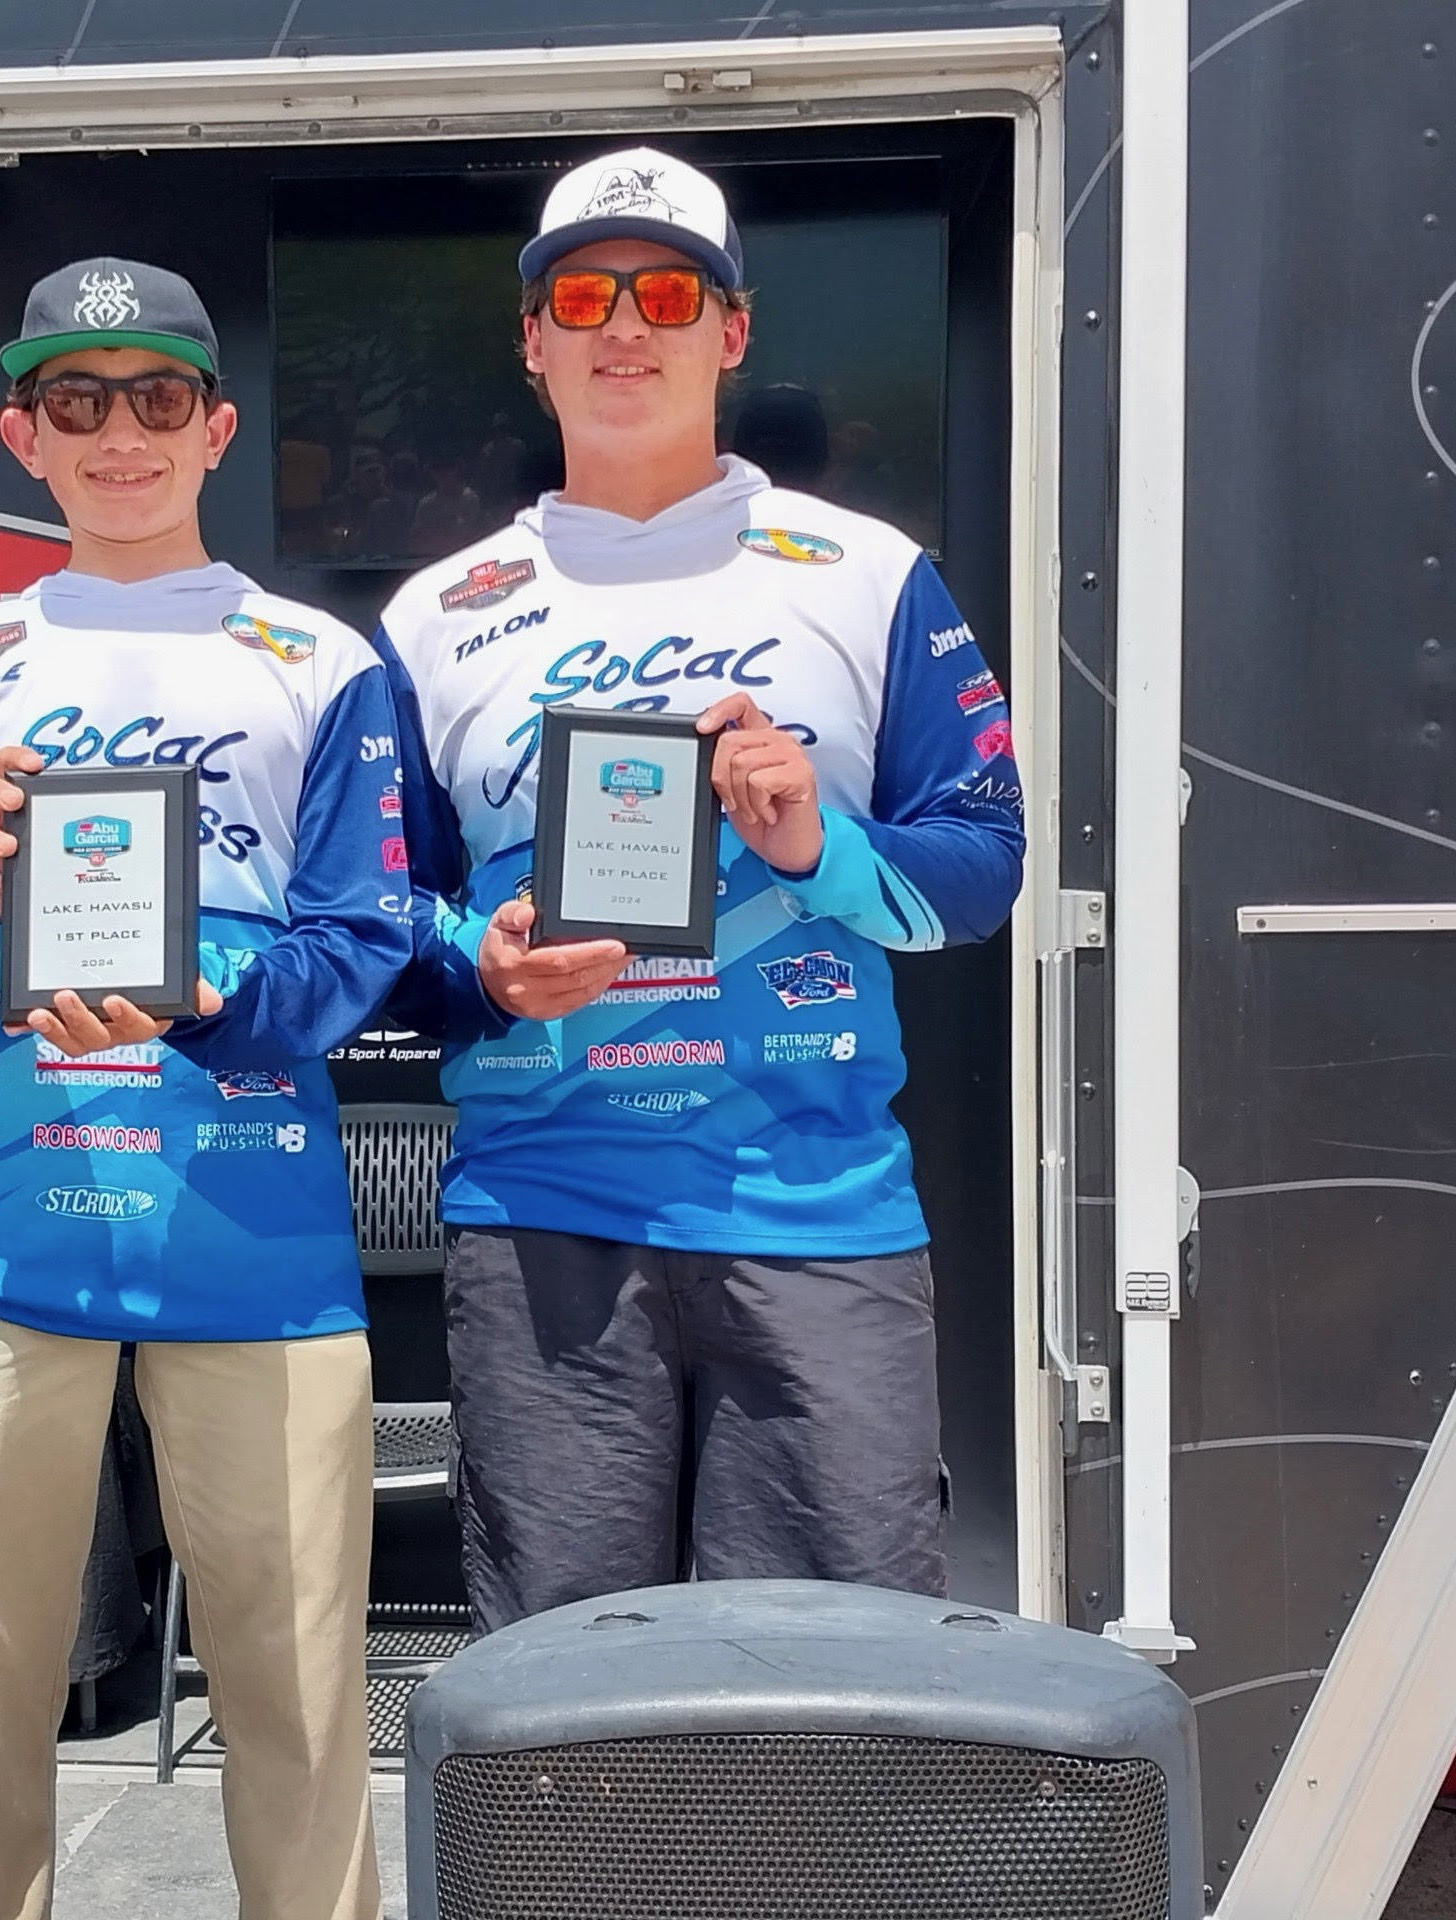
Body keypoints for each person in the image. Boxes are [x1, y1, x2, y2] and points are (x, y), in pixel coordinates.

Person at [374, 150, 1027, 1634]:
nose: (624, 326)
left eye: (667, 294)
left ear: (730, 332)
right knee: (560, 1690)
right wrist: (481, 967)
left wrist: (816, 847)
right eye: (582, 298)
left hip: (813, 1210)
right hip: (543, 1217)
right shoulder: (434, 617)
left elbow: (985, 864)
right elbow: (379, 920)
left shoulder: (868, 574)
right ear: (531, 340)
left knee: (836, 1686)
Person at [0, 257, 404, 1920]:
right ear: (25, 436)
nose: (120, 433)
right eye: (77, 401)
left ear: (216, 427)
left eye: (158, 396)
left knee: (301, 1715)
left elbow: (367, 935)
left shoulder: (318, 660)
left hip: (252, 1242)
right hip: (0, 1239)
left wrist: (218, 998)